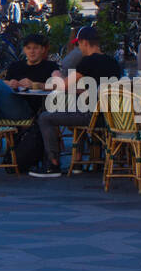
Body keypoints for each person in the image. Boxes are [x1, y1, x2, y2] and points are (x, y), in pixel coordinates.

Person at [31, 26, 120, 177]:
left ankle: (53, 164)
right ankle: (79, 161)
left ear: (84, 42)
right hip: (111, 117)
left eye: (78, 44)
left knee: (45, 117)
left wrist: (52, 78)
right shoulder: (113, 62)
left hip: (91, 116)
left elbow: (63, 85)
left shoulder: (87, 62)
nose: (78, 48)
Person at [0, 33, 59, 122]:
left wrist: (34, 85)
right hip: (6, 105)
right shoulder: (16, 65)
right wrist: (10, 83)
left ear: (42, 49)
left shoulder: (50, 66)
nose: (32, 51)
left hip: (27, 110)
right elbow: (4, 82)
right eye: (28, 48)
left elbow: (57, 85)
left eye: (35, 48)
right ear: (24, 50)